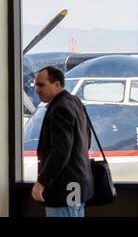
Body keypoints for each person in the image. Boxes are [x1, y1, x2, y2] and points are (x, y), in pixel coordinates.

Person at [31, 66, 94, 217]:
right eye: (36, 85)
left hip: (64, 189)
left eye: (41, 85)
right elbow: (87, 139)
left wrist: (42, 183)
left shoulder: (59, 108)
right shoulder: (75, 102)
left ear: (57, 85)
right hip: (77, 186)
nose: (37, 90)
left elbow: (60, 151)